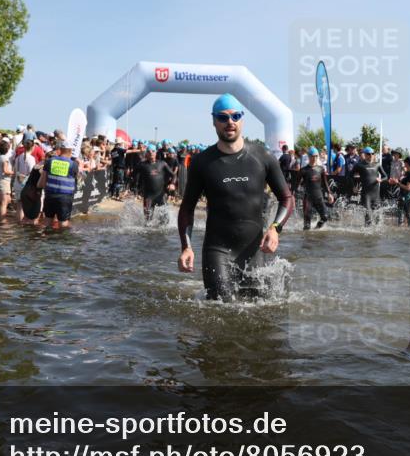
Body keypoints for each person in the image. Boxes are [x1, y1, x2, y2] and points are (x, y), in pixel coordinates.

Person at [177, 94, 293, 301]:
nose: (229, 122)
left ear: (242, 119)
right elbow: (187, 208)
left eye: (235, 116)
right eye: (222, 117)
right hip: (217, 250)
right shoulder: (202, 162)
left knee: (261, 314)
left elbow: (287, 198)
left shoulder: (262, 156)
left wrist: (275, 228)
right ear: (213, 121)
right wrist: (186, 247)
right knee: (221, 309)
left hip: (255, 250)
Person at [38, 139, 80, 229]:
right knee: (63, 224)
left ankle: (43, 240)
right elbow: (77, 179)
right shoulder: (73, 164)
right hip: (65, 197)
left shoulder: (50, 161)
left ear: (60, 149)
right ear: (70, 151)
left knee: (47, 221)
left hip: (50, 195)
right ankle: (62, 241)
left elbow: (44, 179)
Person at [299, 146, 334, 230]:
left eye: (316, 156)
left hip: (319, 197)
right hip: (308, 199)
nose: (314, 158)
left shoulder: (321, 169)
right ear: (308, 156)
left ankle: (316, 230)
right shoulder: (303, 170)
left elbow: (325, 183)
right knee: (307, 226)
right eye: (312, 156)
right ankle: (307, 241)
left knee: (325, 217)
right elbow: (295, 183)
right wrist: (292, 194)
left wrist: (329, 193)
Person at [137, 145, 176, 219]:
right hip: (148, 197)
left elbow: (174, 175)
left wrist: (172, 184)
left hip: (161, 195)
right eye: (149, 151)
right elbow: (132, 175)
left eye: (153, 151)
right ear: (146, 153)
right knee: (147, 221)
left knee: (165, 221)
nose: (151, 153)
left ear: (156, 153)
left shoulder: (162, 163)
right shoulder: (142, 165)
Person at [352, 147, 385, 226]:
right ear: (365, 155)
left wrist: (381, 180)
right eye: (368, 154)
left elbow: (385, 176)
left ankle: (375, 236)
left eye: (372, 154)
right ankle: (366, 236)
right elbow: (350, 176)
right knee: (368, 219)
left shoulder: (377, 164)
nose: (370, 155)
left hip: (376, 195)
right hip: (366, 195)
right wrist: (354, 186)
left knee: (378, 220)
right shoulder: (359, 165)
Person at [0, 140, 14, 219]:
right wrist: (13, 172)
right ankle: (1, 221)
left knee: (7, 200)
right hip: (4, 181)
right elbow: (5, 170)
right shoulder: (5, 158)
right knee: (4, 203)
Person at [397, 157, 410, 227]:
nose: (403, 164)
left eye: (404, 162)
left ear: (407, 163)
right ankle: (400, 226)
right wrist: (396, 181)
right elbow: (402, 182)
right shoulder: (407, 172)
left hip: (408, 195)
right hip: (403, 194)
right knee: (400, 211)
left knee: (407, 213)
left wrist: (398, 183)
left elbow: (408, 188)